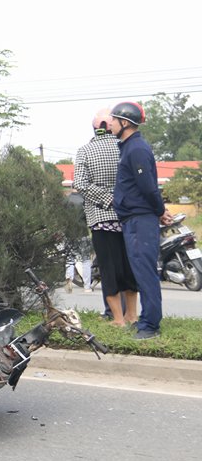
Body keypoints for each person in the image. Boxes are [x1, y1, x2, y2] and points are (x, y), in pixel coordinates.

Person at [109, 101, 173, 341]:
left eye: (114, 120)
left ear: (125, 123)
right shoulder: (127, 147)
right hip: (134, 218)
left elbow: (147, 186)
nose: (111, 124)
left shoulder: (136, 148)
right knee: (140, 271)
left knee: (145, 272)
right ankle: (147, 321)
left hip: (140, 219)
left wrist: (159, 210)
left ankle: (150, 325)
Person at [73, 108, 138, 326]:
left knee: (109, 269)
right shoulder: (124, 148)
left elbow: (80, 184)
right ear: (112, 126)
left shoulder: (85, 151)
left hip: (101, 218)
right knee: (129, 267)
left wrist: (107, 198)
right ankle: (132, 315)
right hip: (127, 217)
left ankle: (117, 318)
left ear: (94, 128)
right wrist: (119, 198)